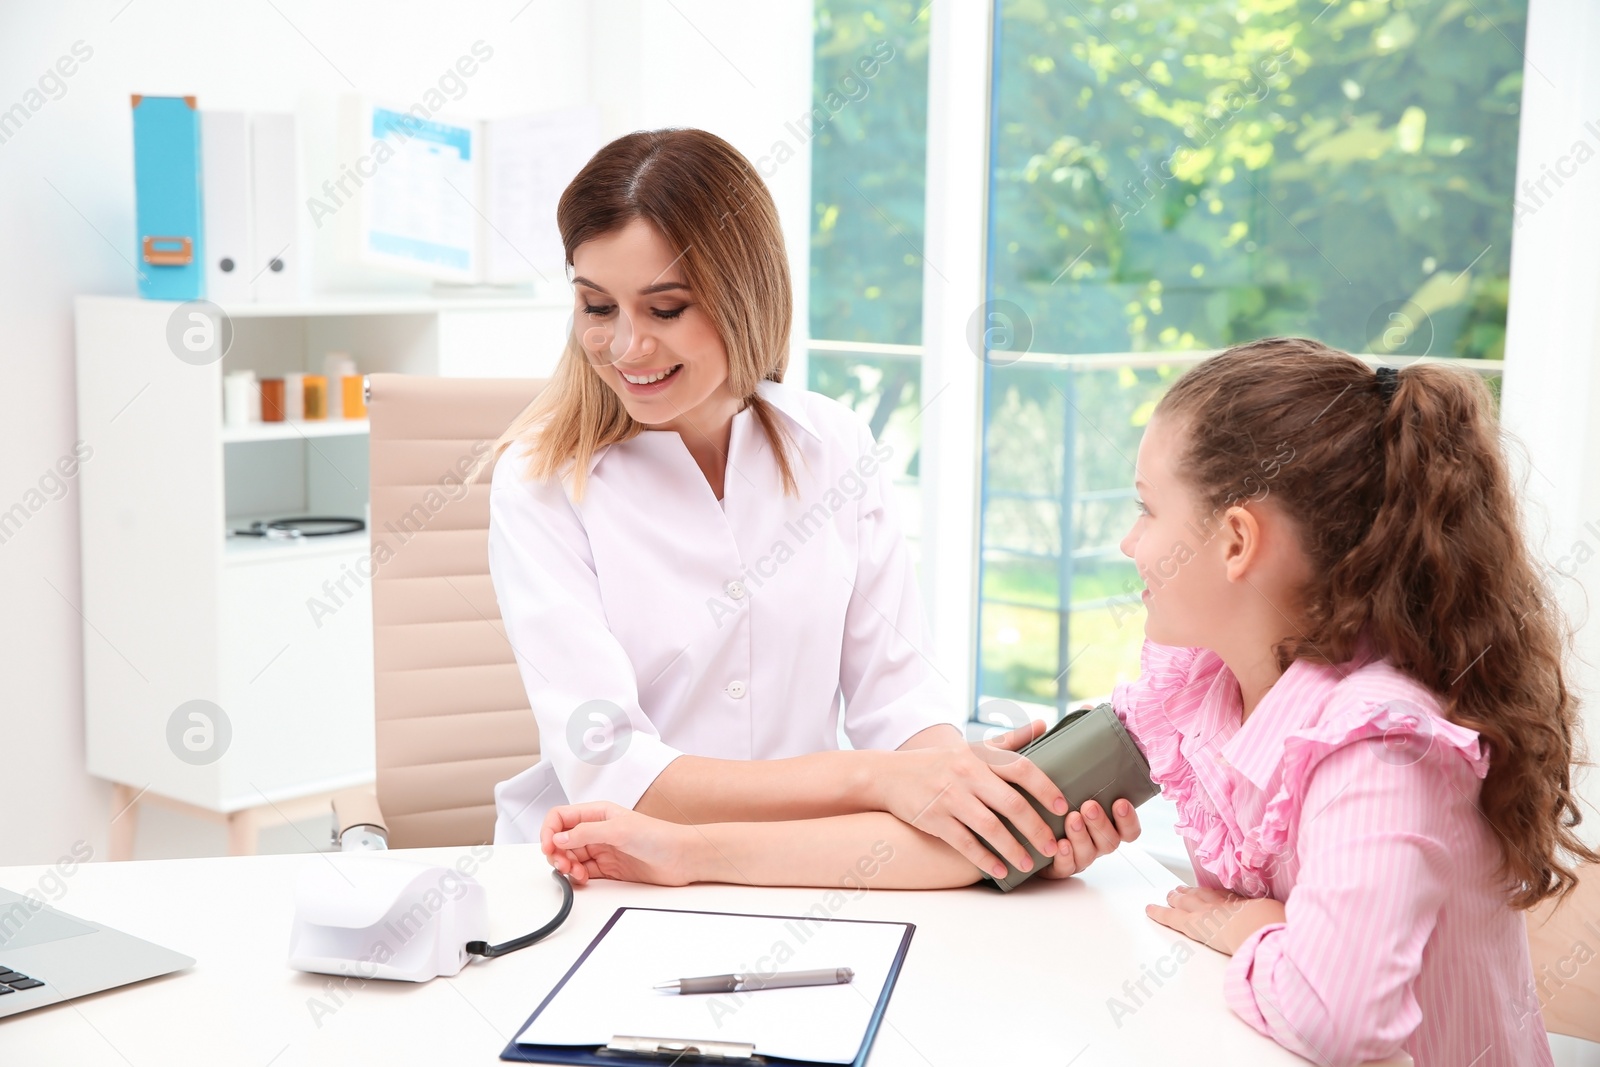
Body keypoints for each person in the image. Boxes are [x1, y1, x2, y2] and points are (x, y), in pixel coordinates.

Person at [540, 337, 1597, 1067]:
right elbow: (973, 831)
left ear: (1233, 541)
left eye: (1145, 510)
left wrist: (1248, 925)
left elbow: (1338, 1013)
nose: (1128, 543)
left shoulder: (1376, 747)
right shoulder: (1199, 686)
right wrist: (688, 850)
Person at [483, 126, 1085, 882]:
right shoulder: (542, 482)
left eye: (666, 308)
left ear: (744, 292)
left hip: (800, 861)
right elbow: (616, 770)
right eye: (597, 306)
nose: (627, 346)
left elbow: (898, 702)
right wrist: (874, 779)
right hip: (596, 876)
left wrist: (983, 805)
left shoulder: (831, 445)